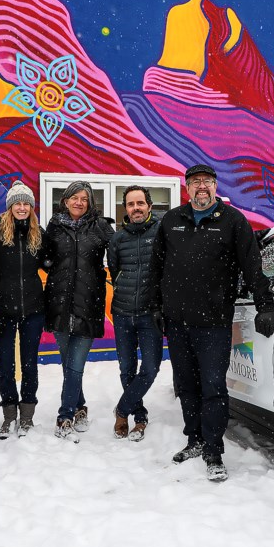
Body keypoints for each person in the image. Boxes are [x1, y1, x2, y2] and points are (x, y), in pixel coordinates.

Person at [151, 164, 274, 481]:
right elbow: (157, 268)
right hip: (177, 321)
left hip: (214, 321)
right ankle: (194, 439)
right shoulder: (171, 221)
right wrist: (155, 306)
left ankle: (214, 451)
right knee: (187, 386)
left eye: (206, 182)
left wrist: (264, 305)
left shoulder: (233, 222)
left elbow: (252, 266)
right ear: (187, 187)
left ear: (215, 186)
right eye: (195, 183)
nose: (201, 187)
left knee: (214, 387)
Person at [44, 181, 114, 442]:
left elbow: (120, 254)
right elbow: (44, 256)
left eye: (84, 199)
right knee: (68, 364)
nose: (79, 203)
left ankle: (65, 415)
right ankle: (81, 405)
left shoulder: (100, 227)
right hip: (59, 303)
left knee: (75, 365)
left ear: (90, 203)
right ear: (65, 200)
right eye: (74, 197)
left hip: (88, 304)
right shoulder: (54, 227)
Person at [0, 181, 50, 439]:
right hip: (3, 311)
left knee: (30, 364)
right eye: (17, 203)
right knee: (6, 365)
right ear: (9, 207)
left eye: (26, 203)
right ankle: (9, 415)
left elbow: (48, 263)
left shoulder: (38, 235)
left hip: (33, 309)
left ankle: (27, 416)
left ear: (31, 207)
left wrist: (49, 260)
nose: (21, 207)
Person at [107, 185, 162, 441]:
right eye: (131, 204)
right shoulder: (117, 239)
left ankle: (122, 409)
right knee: (127, 368)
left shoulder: (162, 232)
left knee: (150, 369)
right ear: (125, 208)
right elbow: (115, 270)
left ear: (149, 206)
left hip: (151, 314)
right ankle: (138, 417)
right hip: (122, 312)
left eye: (140, 203)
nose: (136, 208)